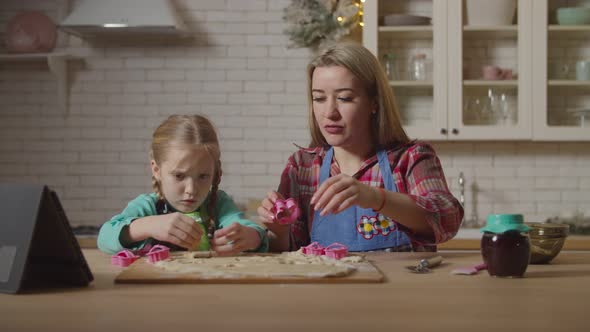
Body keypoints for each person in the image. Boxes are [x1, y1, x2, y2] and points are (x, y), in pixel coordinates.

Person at [257, 42, 463, 252]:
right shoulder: (302, 167)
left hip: (399, 286)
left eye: (344, 98)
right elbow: (289, 252)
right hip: (327, 284)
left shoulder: (410, 158)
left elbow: (448, 218)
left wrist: (376, 198)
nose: (329, 112)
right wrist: (280, 232)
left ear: (374, 103)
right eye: (318, 98)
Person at [98, 115, 268, 255]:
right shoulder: (147, 206)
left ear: (215, 173)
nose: (191, 190)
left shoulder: (218, 203)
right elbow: (104, 238)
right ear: (156, 170)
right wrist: (148, 225)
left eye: (203, 176)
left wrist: (252, 237)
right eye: (179, 175)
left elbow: (247, 228)